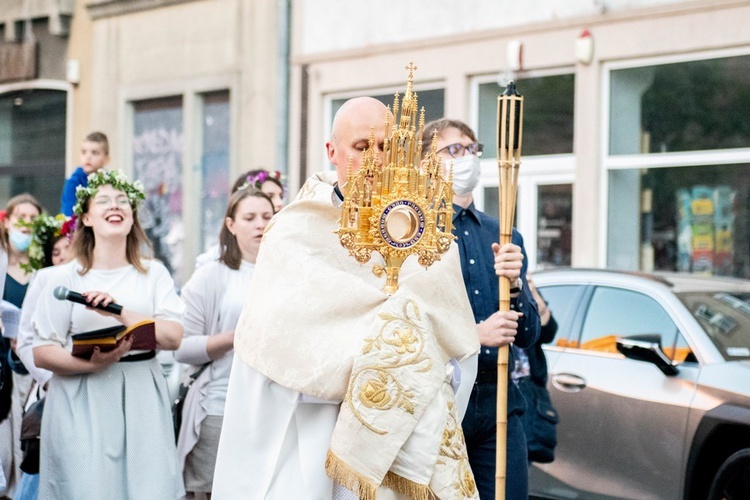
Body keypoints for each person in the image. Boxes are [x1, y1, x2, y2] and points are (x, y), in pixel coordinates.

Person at [213, 96, 481, 499]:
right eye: (362, 147)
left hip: (402, 438)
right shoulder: (293, 233)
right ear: (332, 152)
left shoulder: (431, 237)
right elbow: (274, 341)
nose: (375, 160)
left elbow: (457, 341)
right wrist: (381, 344)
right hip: (312, 431)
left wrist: (422, 367)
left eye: (386, 147)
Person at [31, 169, 185, 499]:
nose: (115, 205)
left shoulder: (153, 272)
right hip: (80, 397)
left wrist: (118, 311)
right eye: (103, 200)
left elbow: (173, 336)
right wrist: (92, 366)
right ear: (85, 217)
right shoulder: (65, 277)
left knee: (147, 488)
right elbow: (42, 350)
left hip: (141, 392)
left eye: (122, 201)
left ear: (132, 217)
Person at [422, 118, 541, 500]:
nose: (468, 158)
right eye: (454, 150)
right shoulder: (416, 230)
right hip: (441, 398)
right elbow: (406, 321)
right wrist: (474, 335)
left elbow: (528, 334)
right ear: (426, 162)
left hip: (499, 397)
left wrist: (517, 284)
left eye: (473, 149)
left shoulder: (502, 232)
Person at [175, 187, 274, 498]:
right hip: (220, 405)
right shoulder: (212, 276)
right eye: (250, 217)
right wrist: (235, 337)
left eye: (267, 217)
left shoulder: (287, 274)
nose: (260, 224)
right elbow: (180, 346)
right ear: (231, 225)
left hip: (273, 406)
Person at [12, 213, 75, 500]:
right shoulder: (45, 279)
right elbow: (25, 339)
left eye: (68, 248)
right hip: (52, 387)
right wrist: (49, 380)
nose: (63, 256)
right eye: (55, 251)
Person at [0, 193, 42, 498]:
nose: (26, 226)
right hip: (3, 370)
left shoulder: (43, 269)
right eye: (20, 218)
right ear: (8, 222)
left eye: (32, 219)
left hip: (32, 368)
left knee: (25, 444)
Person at [194, 169, 285, 269]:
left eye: (281, 196)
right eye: (269, 196)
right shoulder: (212, 264)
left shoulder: (286, 253)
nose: (280, 203)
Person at [517, 274, 559, 465]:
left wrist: (530, 290)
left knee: (522, 465)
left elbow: (549, 330)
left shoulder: (522, 285)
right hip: (500, 386)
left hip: (528, 394)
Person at [60, 131, 110, 216]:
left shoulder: (110, 182)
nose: (88, 157)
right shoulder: (73, 182)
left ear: (106, 159)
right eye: (84, 152)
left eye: (94, 153)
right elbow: (68, 214)